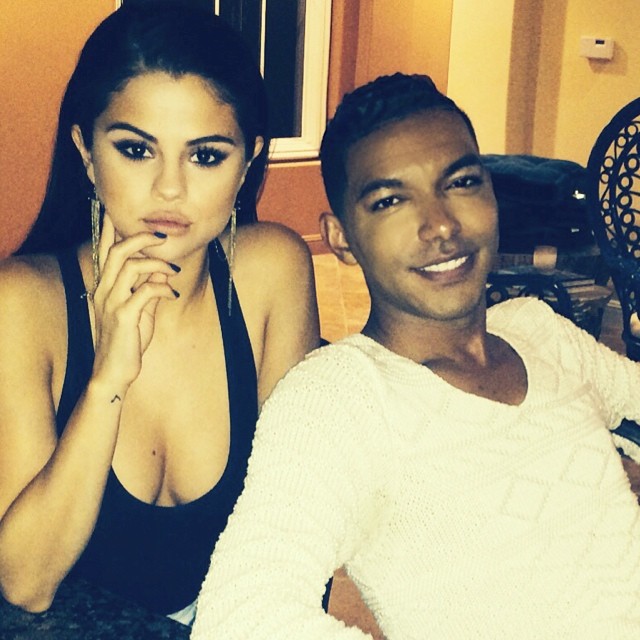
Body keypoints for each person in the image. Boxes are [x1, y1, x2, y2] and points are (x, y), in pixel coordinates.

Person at [190, 72, 640, 639]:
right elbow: (240, 617)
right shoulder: (341, 400)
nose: (441, 225)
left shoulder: (540, 331)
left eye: (462, 182)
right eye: (390, 201)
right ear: (341, 237)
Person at [0, 0, 319, 626]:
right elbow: (26, 582)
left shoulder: (273, 272)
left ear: (248, 161)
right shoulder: (22, 304)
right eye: (136, 149)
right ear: (86, 152)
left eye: (206, 155)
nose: (170, 188)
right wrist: (107, 381)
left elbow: (298, 526)